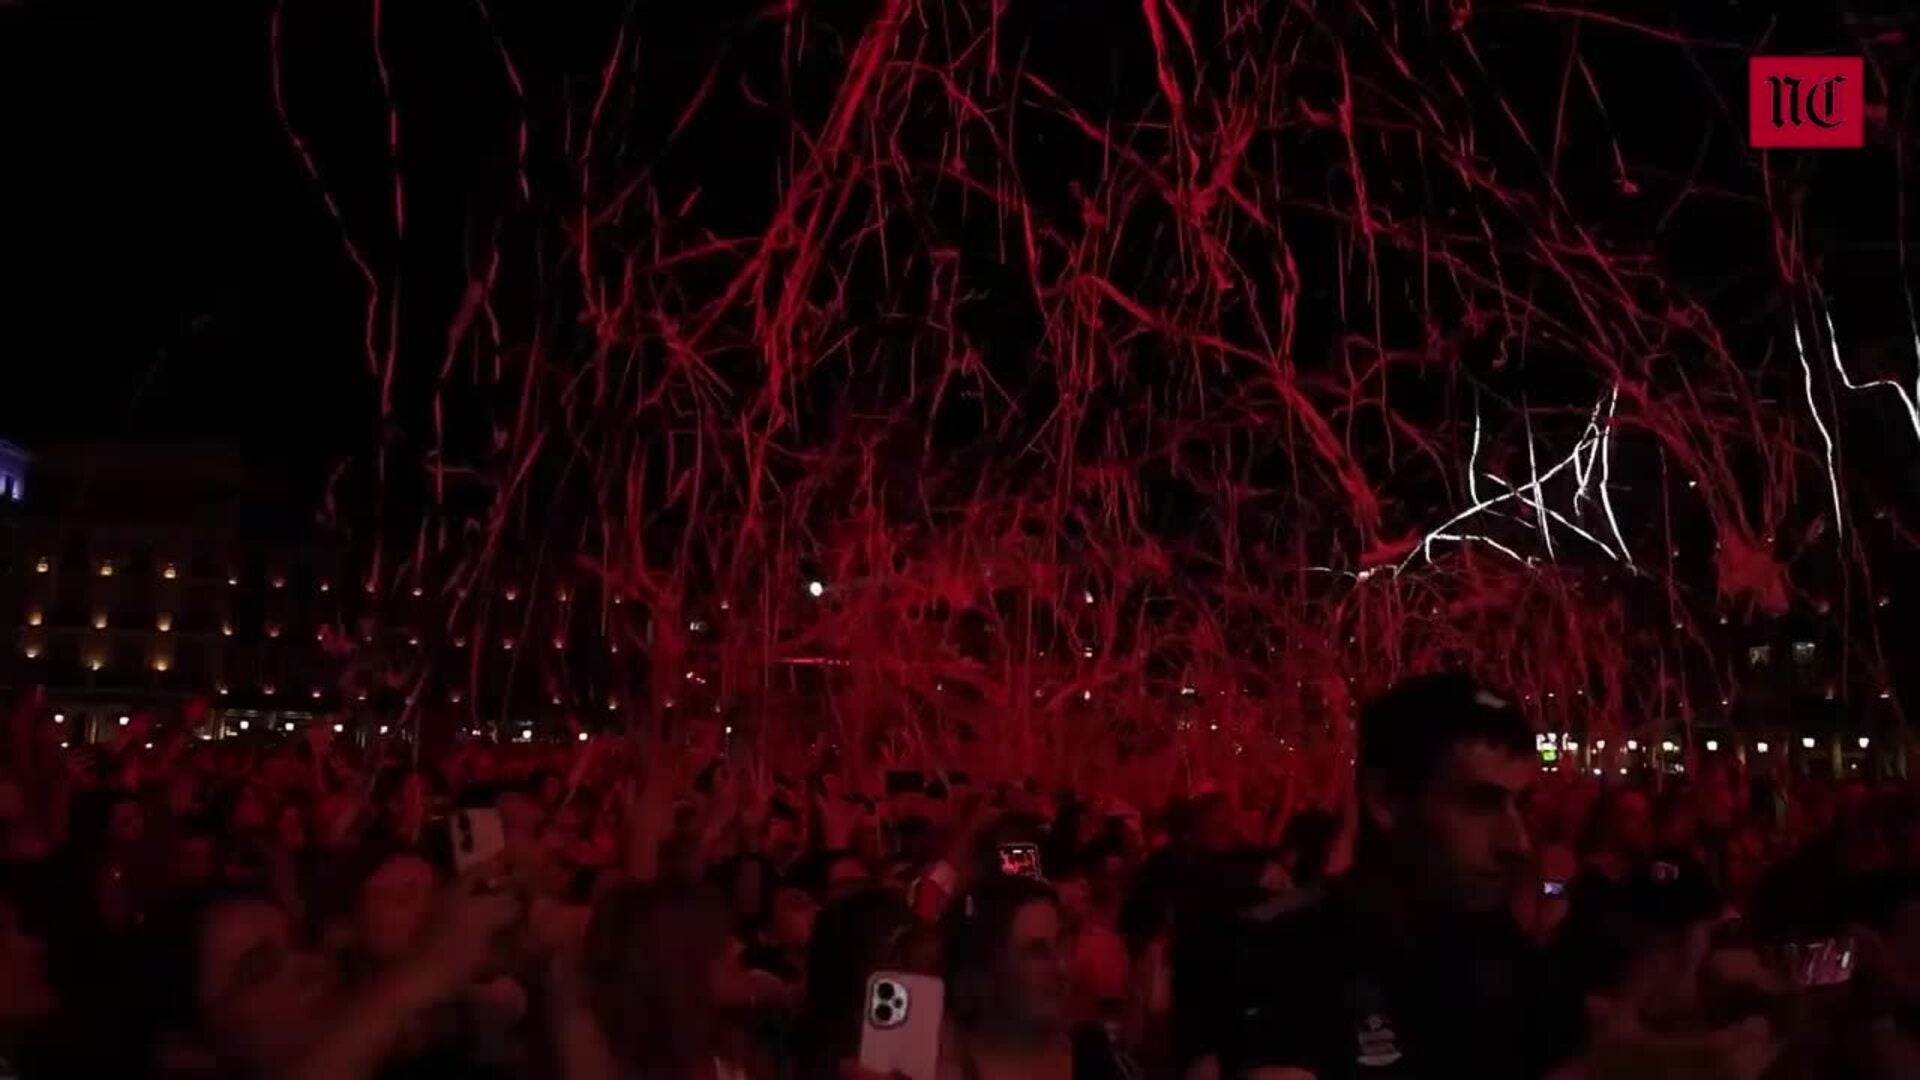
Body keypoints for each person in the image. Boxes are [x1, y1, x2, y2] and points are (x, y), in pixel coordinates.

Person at [1224, 672, 1580, 1079]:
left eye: (1524, 805)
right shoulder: (1287, 951)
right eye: (1481, 804)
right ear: (1387, 799)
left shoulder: (1515, 959)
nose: (1517, 842)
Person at [942, 874, 1136, 1080]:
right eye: (1037, 952)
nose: (1061, 967)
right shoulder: (938, 1064)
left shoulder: (1092, 1058)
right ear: (986, 968)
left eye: (1061, 943)